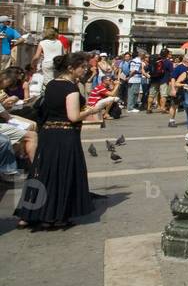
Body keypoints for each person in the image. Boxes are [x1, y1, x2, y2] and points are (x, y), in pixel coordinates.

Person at [15, 52, 116, 228]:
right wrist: (96, 109)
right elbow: (74, 116)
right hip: (65, 136)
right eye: (82, 67)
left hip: (48, 134)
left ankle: (29, 213)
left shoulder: (52, 84)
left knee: (43, 173)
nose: (86, 70)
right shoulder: (70, 88)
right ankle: (55, 215)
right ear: (70, 68)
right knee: (61, 174)